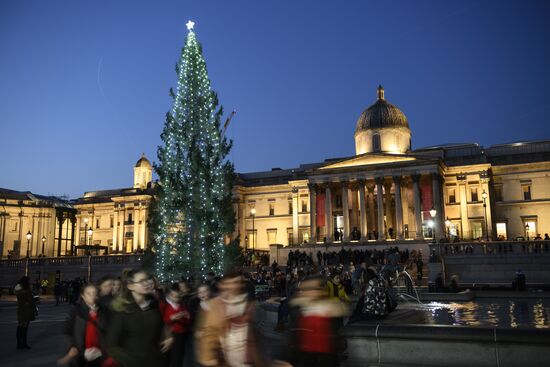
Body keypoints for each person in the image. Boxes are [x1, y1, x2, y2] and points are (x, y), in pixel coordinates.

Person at [196, 271, 266, 366]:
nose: (232, 287)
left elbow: (257, 335)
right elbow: (210, 331)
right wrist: (207, 356)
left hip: (246, 357)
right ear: (222, 285)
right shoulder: (215, 305)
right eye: (229, 283)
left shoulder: (248, 305)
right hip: (225, 356)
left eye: (236, 283)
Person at [108, 270, 173, 367]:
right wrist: (129, 361)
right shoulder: (121, 310)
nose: (146, 283)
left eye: (147, 280)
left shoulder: (153, 305)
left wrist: (168, 336)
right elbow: (111, 345)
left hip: (156, 361)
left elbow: (161, 326)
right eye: (141, 281)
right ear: (130, 286)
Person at [284, 276, 348, 367]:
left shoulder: (331, 311)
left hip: (326, 359)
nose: (311, 292)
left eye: (316, 288)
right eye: (306, 289)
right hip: (304, 359)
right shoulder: (298, 310)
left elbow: (338, 337)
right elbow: (292, 338)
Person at [58, 284, 111, 367]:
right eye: (89, 293)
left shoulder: (105, 311)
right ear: (83, 296)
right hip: (81, 356)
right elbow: (67, 331)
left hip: (100, 356)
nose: (92, 296)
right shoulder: (76, 311)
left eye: (95, 293)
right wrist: (72, 346)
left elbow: (109, 332)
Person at [160, 283, 191, 367]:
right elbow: (161, 321)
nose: (176, 298)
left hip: (180, 335)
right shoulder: (164, 305)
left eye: (177, 296)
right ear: (169, 295)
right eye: (173, 296)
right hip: (168, 334)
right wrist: (171, 318)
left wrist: (186, 317)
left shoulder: (182, 305)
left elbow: (187, 320)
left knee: (178, 357)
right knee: (167, 357)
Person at [14, 276, 36, 349]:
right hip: (27, 310)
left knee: (20, 326)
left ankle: (19, 343)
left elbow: (16, 292)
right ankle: (24, 344)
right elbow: (31, 301)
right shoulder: (27, 290)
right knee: (25, 328)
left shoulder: (18, 289)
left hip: (20, 309)